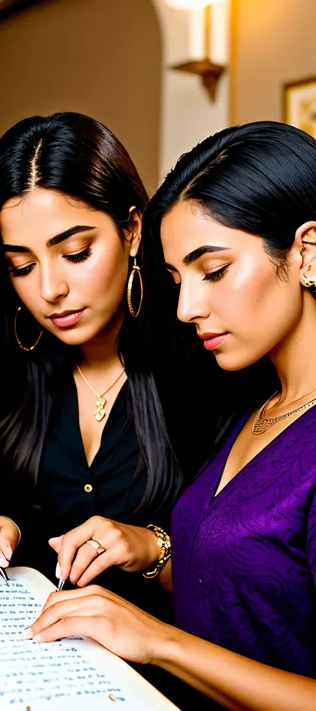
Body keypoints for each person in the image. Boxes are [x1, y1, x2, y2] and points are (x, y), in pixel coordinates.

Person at [26, 121, 316, 711]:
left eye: (213, 270)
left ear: (306, 252)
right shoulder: (259, 410)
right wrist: (148, 551)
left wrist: (159, 642)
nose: (186, 306)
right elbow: (247, 589)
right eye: (176, 278)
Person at [0, 112, 213, 615]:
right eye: (21, 265)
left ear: (132, 230)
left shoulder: (206, 354)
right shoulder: (0, 363)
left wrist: (152, 547)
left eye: (76, 253)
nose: (48, 291)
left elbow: (247, 577)